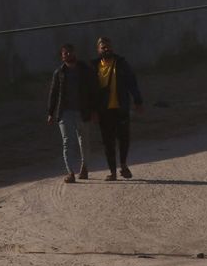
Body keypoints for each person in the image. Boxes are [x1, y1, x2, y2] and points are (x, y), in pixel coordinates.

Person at [93, 36, 144, 180]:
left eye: (108, 46)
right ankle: (113, 172)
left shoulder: (121, 64)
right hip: (104, 111)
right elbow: (90, 91)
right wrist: (93, 111)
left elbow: (131, 82)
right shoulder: (95, 66)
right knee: (108, 142)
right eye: (103, 47)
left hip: (120, 108)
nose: (106, 49)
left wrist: (138, 101)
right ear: (98, 50)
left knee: (124, 138)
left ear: (112, 47)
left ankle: (123, 164)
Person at [46, 44, 98, 183]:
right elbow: (54, 93)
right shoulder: (59, 73)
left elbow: (93, 91)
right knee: (67, 142)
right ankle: (70, 172)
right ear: (62, 56)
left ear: (75, 53)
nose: (67, 55)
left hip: (83, 111)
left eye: (69, 52)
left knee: (84, 141)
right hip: (65, 112)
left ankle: (84, 167)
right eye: (65, 53)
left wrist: (94, 110)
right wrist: (51, 112)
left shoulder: (85, 70)